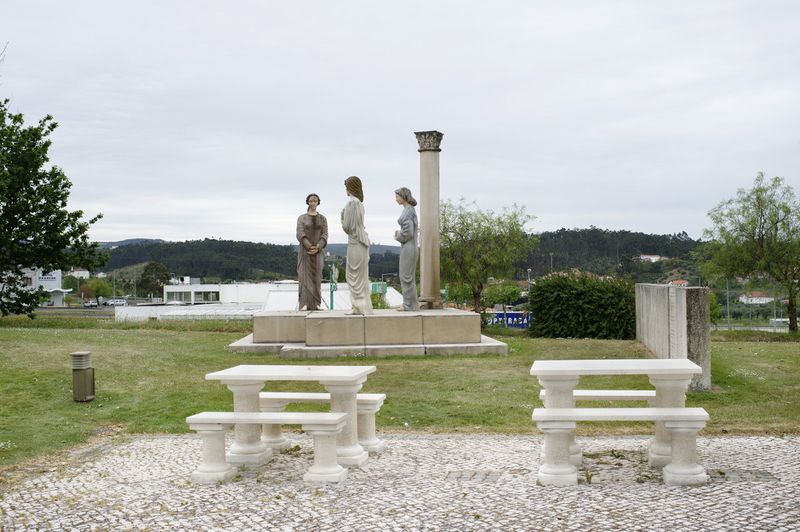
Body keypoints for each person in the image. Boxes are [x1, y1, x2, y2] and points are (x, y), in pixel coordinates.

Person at [341, 176, 373, 315]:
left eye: (346, 187)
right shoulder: (359, 203)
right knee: (361, 276)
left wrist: (341, 217)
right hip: (362, 241)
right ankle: (362, 305)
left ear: (350, 187)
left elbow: (347, 227)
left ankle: (358, 306)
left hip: (355, 242)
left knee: (353, 276)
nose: (345, 190)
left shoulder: (351, 204)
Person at [296, 193, 328, 311]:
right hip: (305, 252)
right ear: (308, 202)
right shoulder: (302, 218)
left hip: (318, 252)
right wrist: (309, 246)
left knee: (317, 277)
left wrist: (318, 246)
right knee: (304, 277)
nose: (313, 203)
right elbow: (300, 233)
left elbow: (325, 234)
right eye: (311, 201)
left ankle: (316, 303)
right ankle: (304, 303)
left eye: (315, 201)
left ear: (318, 202)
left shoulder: (322, 218)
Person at [393, 187, 419, 311]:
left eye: (397, 196)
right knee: (407, 276)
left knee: (406, 276)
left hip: (409, 247)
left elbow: (408, 234)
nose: (396, 199)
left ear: (403, 197)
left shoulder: (408, 211)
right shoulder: (409, 210)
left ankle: (409, 305)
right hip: (409, 247)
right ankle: (410, 303)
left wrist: (398, 235)